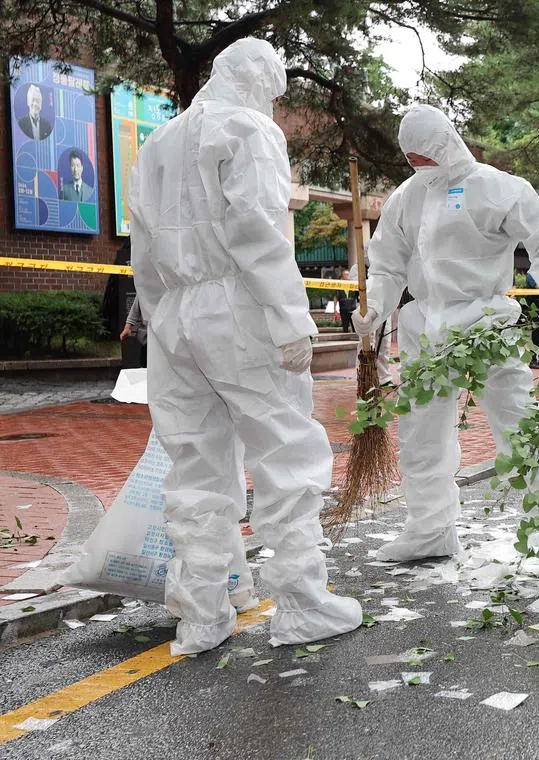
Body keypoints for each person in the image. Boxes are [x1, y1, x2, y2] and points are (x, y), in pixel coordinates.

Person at [128, 37, 361, 656]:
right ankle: (303, 604)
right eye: (274, 92)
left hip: (176, 314)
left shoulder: (158, 142)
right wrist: (290, 318)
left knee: (195, 464)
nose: (274, 105)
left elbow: (143, 251)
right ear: (256, 77)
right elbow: (257, 230)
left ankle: (202, 614)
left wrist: (162, 320)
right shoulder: (248, 129)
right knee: (286, 448)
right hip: (238, 306)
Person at [352, 103, 539, 563]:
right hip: (426, 329)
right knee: (421, 437)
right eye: (411, 158)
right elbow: (387, 264)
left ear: (446, 143)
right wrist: (375, 309)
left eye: (426, 155)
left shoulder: (496, 187)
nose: (419, 164)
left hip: (487, 325)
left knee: (520, 426)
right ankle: (429, 532)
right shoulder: (406, 197)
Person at [119, 296, 148, 367]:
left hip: (165, 336)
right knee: (146, 367)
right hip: (147, 338)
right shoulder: (143, 290)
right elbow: (137, 304)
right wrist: (127, 327)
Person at [338, 268, 356, 334]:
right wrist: (335, 309)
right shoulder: (339, 285)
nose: (346, 276)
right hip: (343, 308)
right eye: (345, 274)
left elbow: (358, 296)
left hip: (352, 307)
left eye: (347, 274)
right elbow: (336, 297)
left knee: (354, 325)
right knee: (345, 325)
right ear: (342, 276)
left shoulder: (353, 284)